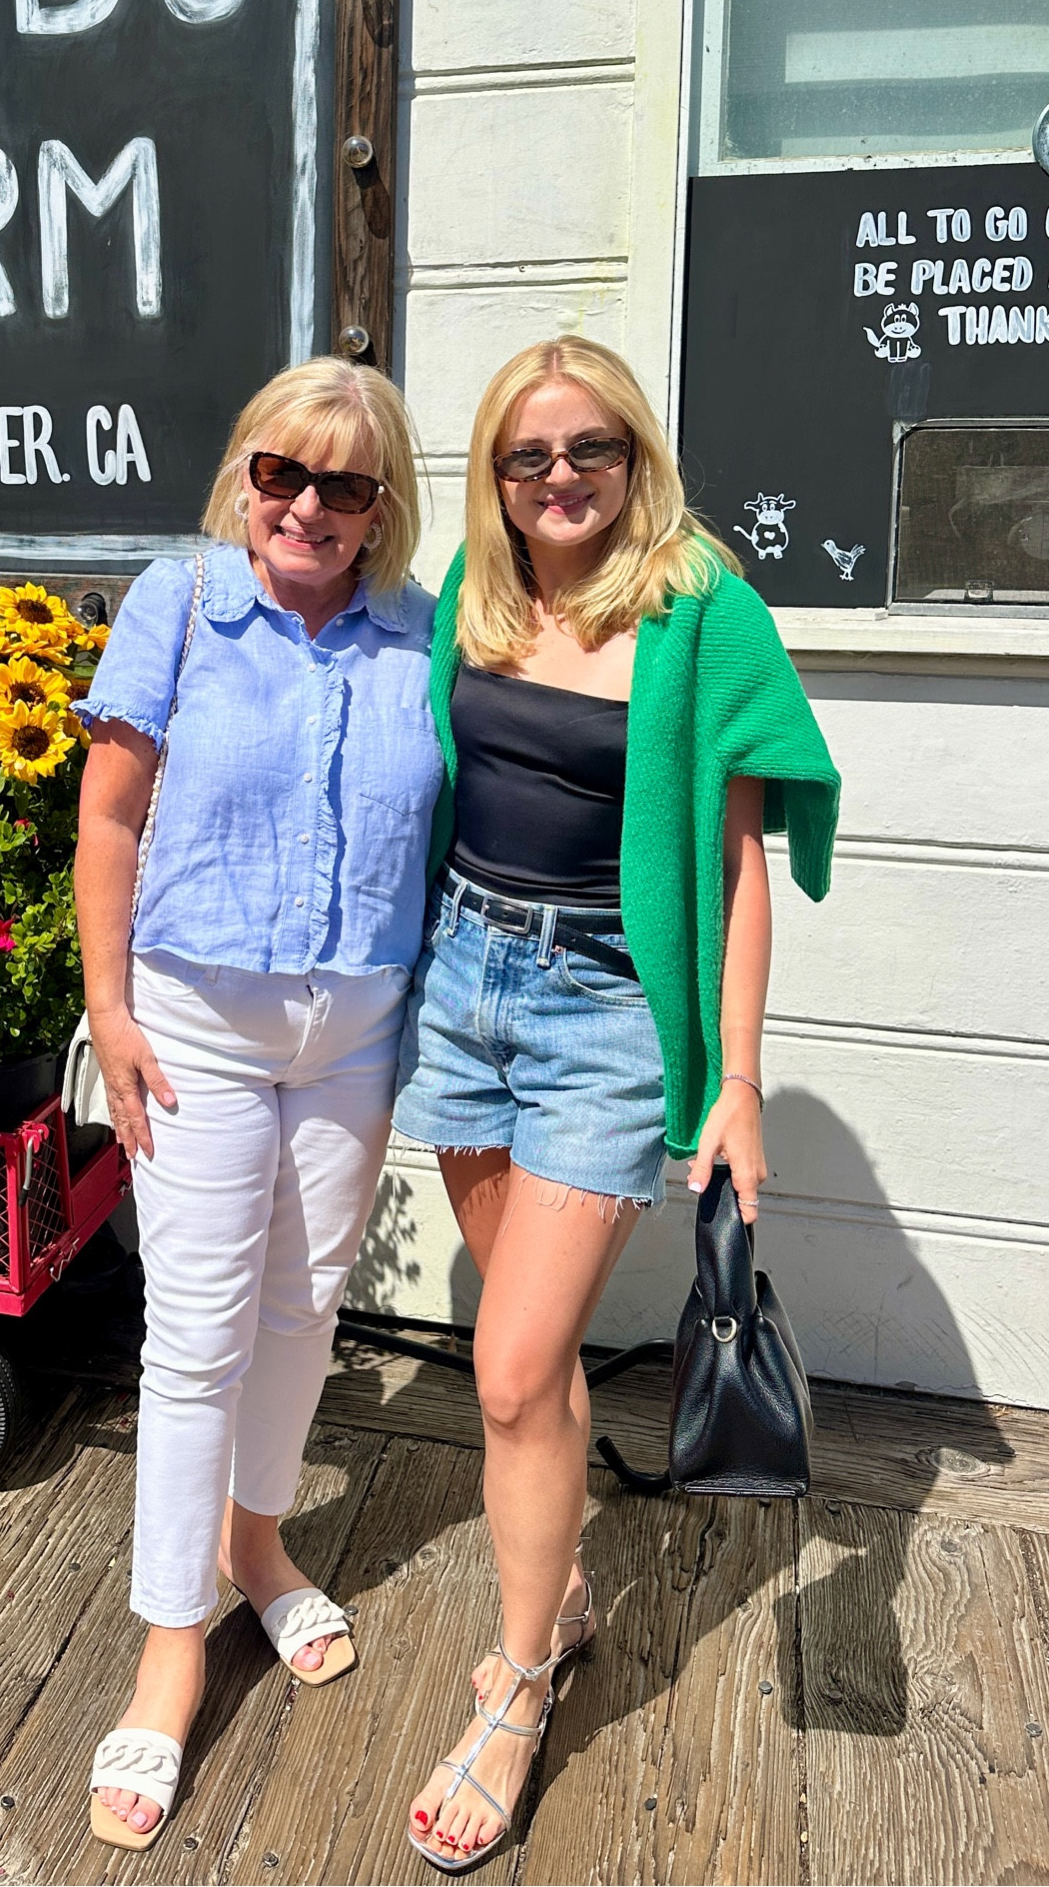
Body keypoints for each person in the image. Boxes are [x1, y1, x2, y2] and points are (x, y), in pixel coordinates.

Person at [394, 337, 840, 1871]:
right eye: (528, 457)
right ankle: (564, 1592)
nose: (560, 478)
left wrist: (737, 1078)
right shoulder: (476, 588)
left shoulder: (696, 602)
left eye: (587, 449)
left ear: (632, 451)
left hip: (597, 1011)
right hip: (459, 989)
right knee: (538, 1360)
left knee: (510, 1367)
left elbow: (734, 866)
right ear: (496, 475)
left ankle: (516, 1688)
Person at [72, 357, 442, 1852]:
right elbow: (107, 808)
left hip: (354, 1027)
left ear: (381, 509)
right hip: (197, 1024)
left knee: (305, 1307)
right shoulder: (178, 601)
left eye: (343, 484)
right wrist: (108, 1006)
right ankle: (174, 1636)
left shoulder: (424, 635)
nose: (306, 504)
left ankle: (260, 1542)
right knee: (200, 1327)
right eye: (283, 472)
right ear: (244, 476)